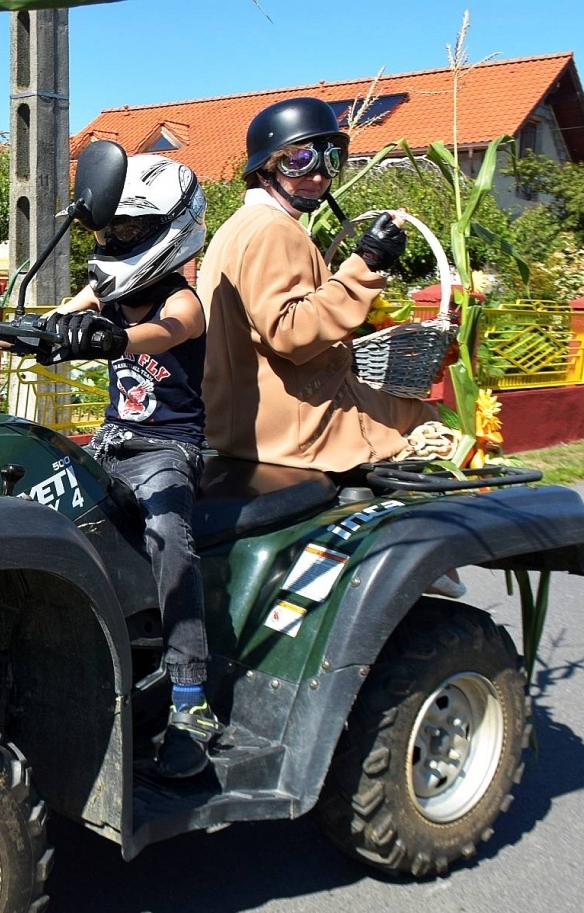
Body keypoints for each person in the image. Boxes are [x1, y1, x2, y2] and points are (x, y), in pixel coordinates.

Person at [44, 154, 219, 778]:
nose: (114, 239)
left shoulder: (183, 300)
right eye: (108, 229)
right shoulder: (110, 291)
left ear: (170, 230)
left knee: (169, 535)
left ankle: (192, 698)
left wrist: (111, 338)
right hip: (112, 441)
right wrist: (11, 332)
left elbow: (167, 333)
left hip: (168, 448)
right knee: (45, 507)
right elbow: (63, 316)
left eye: (128, 229)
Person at [197, 97, 434, 472]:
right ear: (265, 169)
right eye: (300, 161)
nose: (319, 176)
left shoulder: (238, 225)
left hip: (244, 423)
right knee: (429, 420)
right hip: (296, 429)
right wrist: (366, 264)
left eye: (331, 161)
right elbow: (290, 332)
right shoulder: (274, 229)